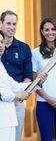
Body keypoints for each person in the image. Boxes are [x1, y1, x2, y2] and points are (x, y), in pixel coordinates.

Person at [0, 30, 47, 141]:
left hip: (8, 118)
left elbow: (15, 86)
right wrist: (18, 96)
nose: (0, 45)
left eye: (1, 42)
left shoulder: (1, 65)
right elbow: (3, 93)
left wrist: (37, 82)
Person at [0, 10, 33, 141]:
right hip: (4, 100)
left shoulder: (24, 48)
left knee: (14, 137)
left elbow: (27, 76)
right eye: (8, 23)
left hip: (17, 100)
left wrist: (36, 83)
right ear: (1, 24)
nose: (12, 27)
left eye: (14, 24)